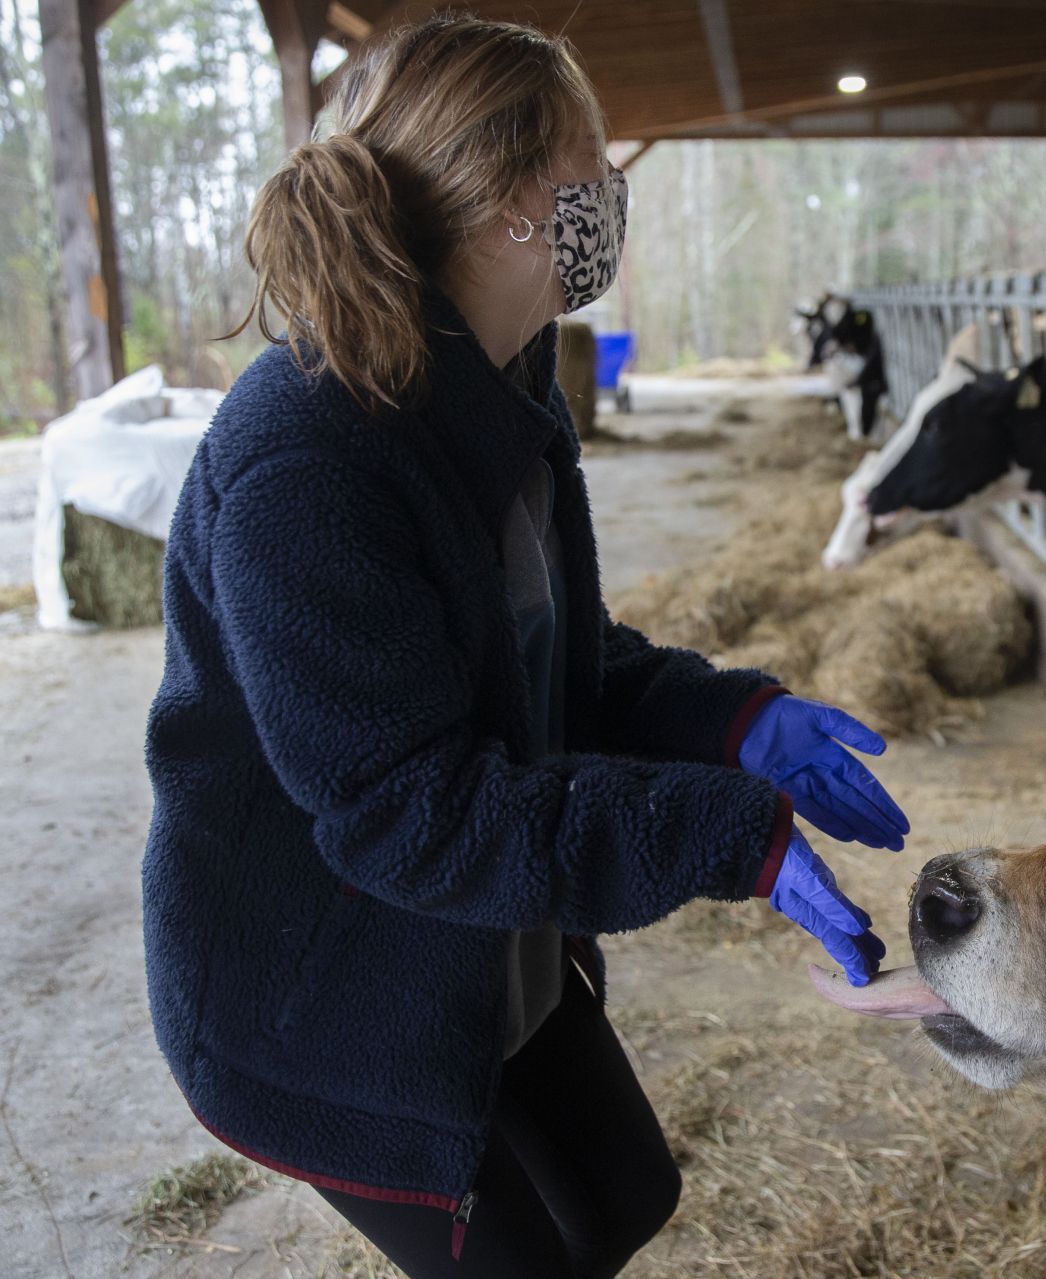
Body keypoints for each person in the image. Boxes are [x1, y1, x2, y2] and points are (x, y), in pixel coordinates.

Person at [140, 15, 906, 1278]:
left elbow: (551, 661)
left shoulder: (503, 383)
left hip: (471, 928)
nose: (611, 193)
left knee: (624, 1199)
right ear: (506, 205)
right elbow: (406, 813)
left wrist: (733, 721)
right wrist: (728, 835)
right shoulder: (306, 459)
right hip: (325, 977)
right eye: (590, 165)